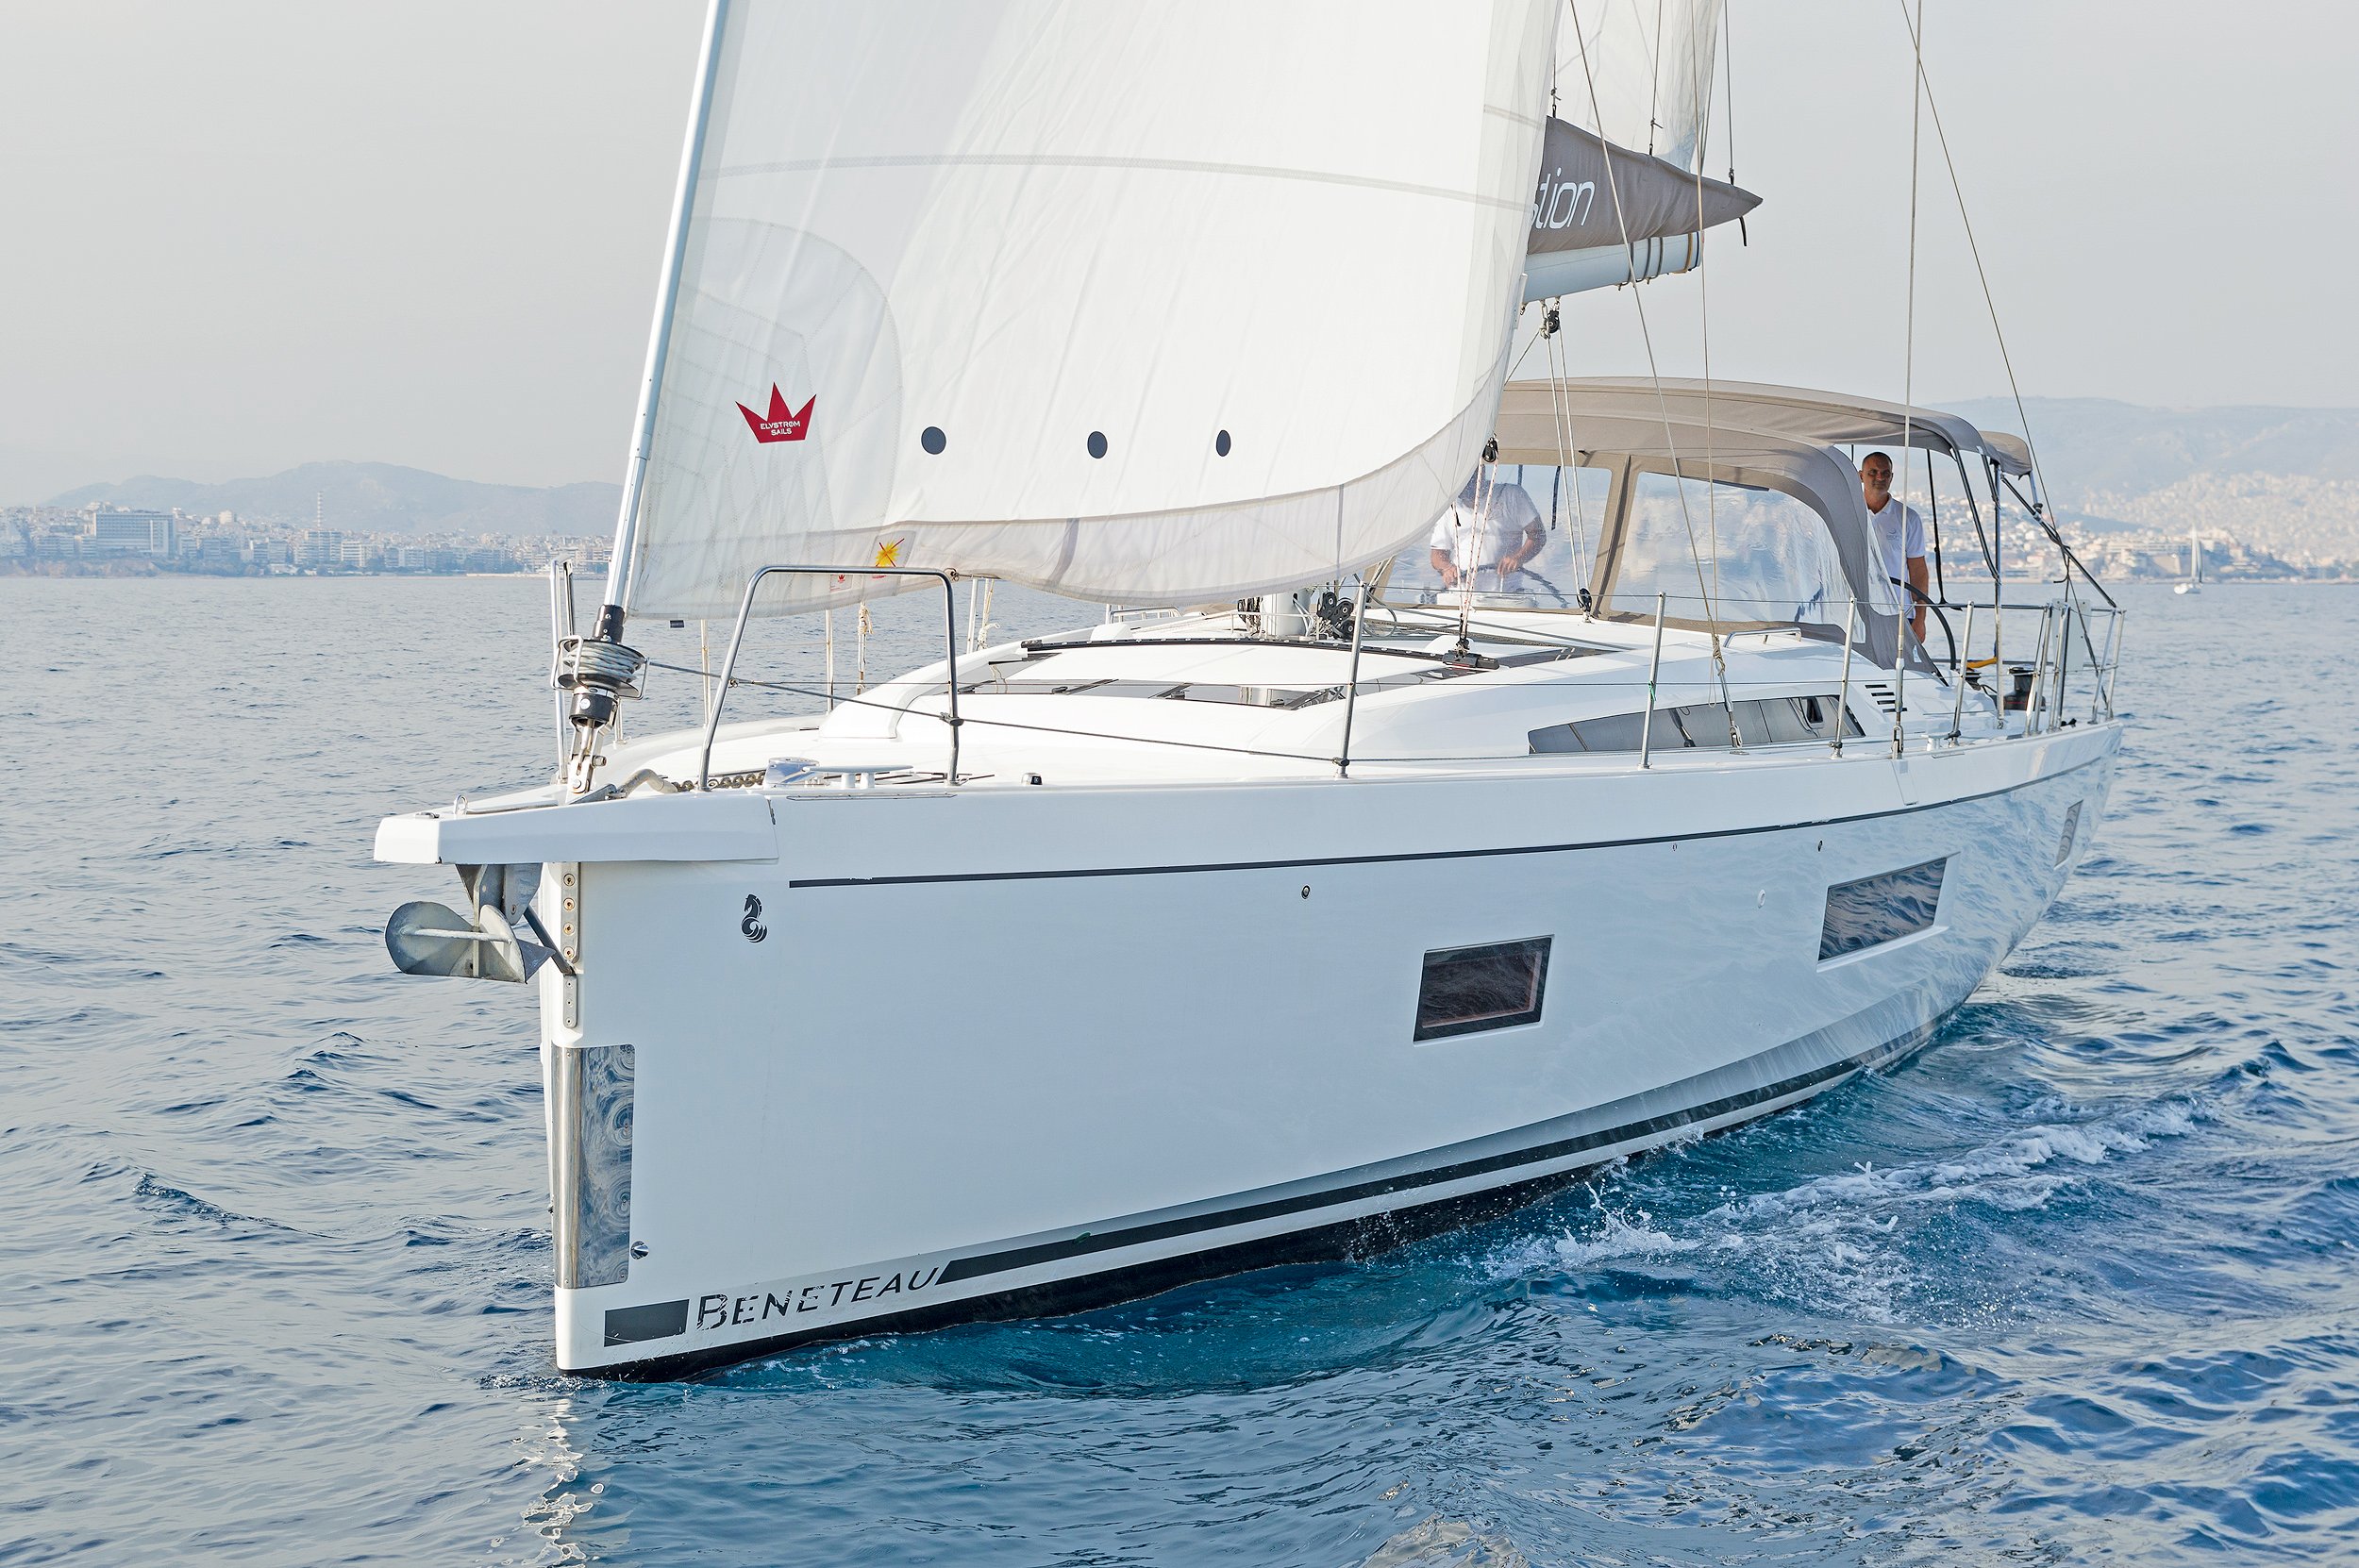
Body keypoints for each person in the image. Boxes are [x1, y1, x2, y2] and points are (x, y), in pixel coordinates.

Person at [1429, 471, 1547, 592]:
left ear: (1481, 471)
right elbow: (1437, 554)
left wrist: (1518, 558)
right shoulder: (1450, 506)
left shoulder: (1512, 494)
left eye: (1470, 476)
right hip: (1460, 595)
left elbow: (1538, 534)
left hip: (1506, 595)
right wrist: (1446, 568)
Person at [1859, 451, 1928, 643]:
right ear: (1860, 476)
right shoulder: (1847, 513)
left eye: (1885, 473)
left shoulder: (1909, 518)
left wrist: (1920, 619)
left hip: (1898, 613)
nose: (1879, 477)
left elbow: (1918, 571)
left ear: (1891, 477)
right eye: (1873, 472)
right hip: (1854, 612)